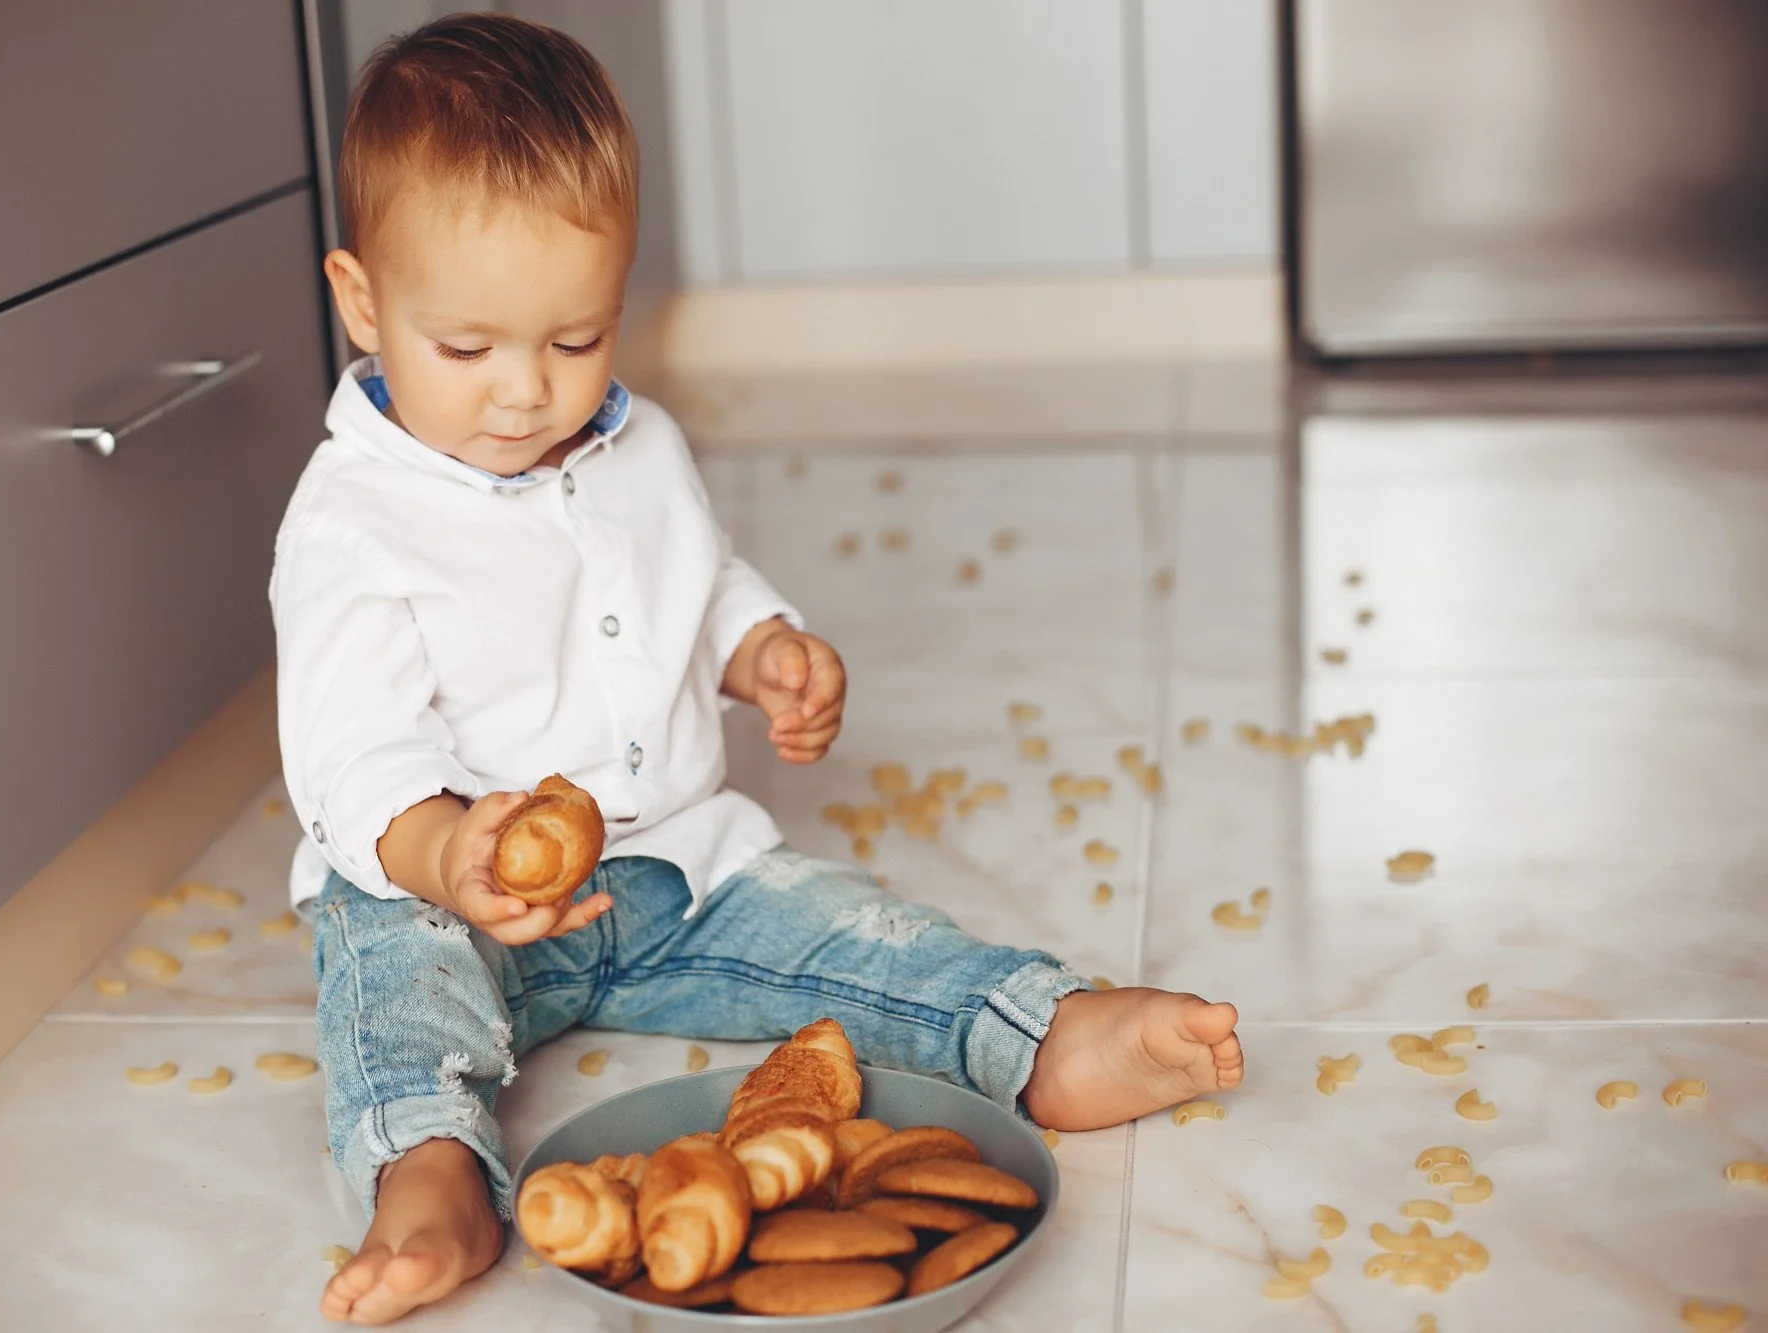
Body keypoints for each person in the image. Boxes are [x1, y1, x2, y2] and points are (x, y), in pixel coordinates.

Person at [273, 14, 1244, 1324]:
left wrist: (760, 647)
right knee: (391, 983)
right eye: (468, 350)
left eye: (576, 341)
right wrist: (446, 853)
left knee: (856, 933)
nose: (526, 393)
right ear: (362, 300)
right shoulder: (353, 520)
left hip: (678, 870)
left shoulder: (640, 447)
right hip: (445, 897)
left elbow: (692, 580)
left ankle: (1038, 1031)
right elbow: (352, 749)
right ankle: (430, 1169)